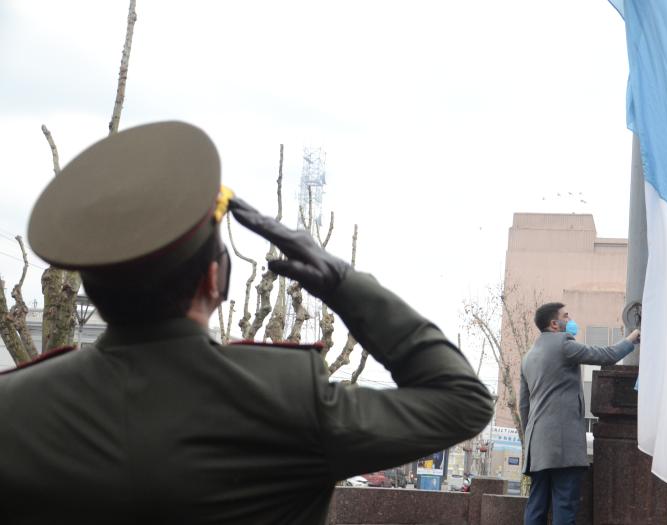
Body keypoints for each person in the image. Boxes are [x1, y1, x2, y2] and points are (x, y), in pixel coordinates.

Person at [0, 121, 494, 524]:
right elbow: (461, 401)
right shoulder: (287, 399)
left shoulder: (15, 408)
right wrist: (343, 282)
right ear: (215, 278)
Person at [519, 302, 640, 525]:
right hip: (563, 446)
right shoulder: (563, 344)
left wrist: (532, 442)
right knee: (564, 506)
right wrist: (632, 338)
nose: (570, 319)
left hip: (537, 449)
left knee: (536, 506)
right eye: (566, 316)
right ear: (554, 324)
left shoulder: (528, 357)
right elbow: (606, 355)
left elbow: (524, 407)